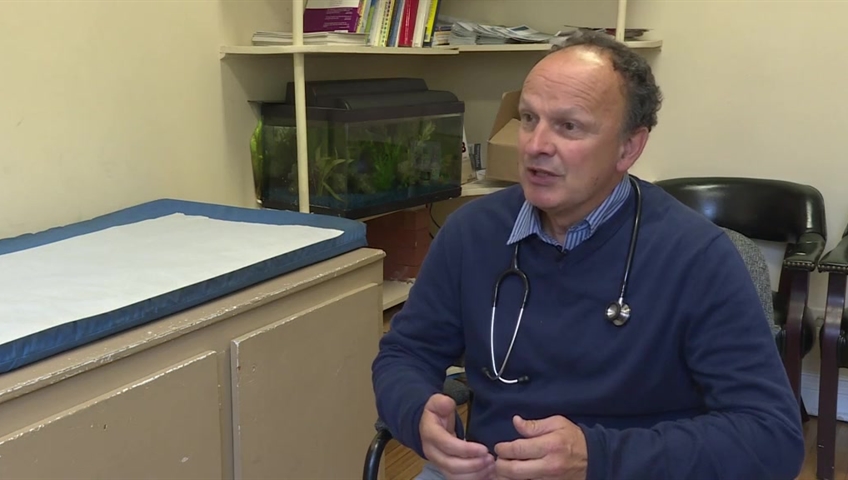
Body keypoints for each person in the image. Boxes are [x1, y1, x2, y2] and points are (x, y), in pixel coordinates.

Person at [371, 30, 805, 480]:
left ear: (629, 147)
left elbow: (772, 437)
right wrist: (418, 415)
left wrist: (598, 457)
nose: (535, 145)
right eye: (528, 118)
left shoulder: (697, 257)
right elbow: (405, 354)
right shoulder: (471, 232)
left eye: (569, 126)